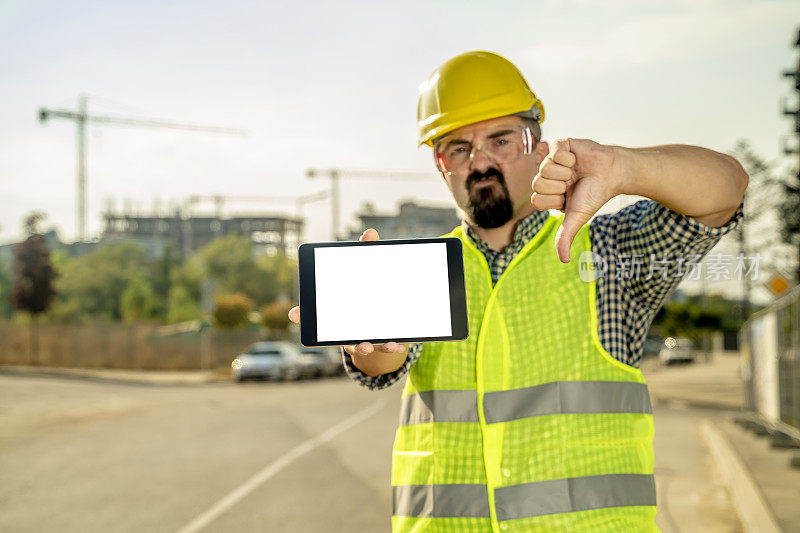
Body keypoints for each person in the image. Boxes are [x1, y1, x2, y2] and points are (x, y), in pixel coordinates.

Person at [288, 50, 747, 532]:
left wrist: (623, 166)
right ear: (441, 166)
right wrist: (373, 350)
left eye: (501, 140)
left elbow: (726, 191)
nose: (480, 162)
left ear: (537, 146)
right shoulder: (422, 269)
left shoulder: (608, 254)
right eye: (458, 148)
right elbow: (383, 363)